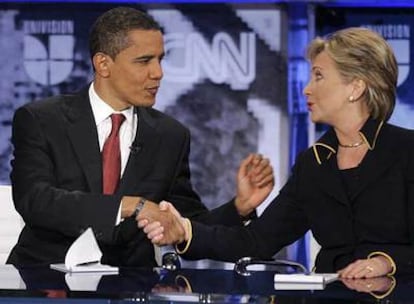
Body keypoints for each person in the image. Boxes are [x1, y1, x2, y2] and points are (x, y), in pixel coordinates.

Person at [7, 6, 274, 267]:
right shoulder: (42, 120)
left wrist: (239, 207)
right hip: (44, 280)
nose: (158, 73)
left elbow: (185, 222)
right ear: (103, 64)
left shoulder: (170, 136)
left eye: (160, 59)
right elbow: (35, 200)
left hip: (129, 285)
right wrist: (128, 206)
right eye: (144, 61)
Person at [141, 27, 414, 278]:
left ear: (355, 87)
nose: (307, 88)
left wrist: (386, 262)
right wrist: (185, 231)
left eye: (319, 76)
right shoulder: (314, 163)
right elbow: (257, 242)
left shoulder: (406, 151)